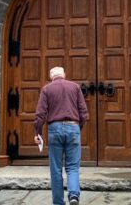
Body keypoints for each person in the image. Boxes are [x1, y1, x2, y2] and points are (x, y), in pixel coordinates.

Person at [34, 66, 89, 205]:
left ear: (51, 76)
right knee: (72, 166)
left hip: (55, 128)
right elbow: (84, 113)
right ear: (63, 74)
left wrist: (38, 133)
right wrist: (78, 127)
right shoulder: (75, 87)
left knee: (56, 168)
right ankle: (74, 196)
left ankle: (58, 202)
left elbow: (40, 115)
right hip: (73, 127)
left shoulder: (47, 89)